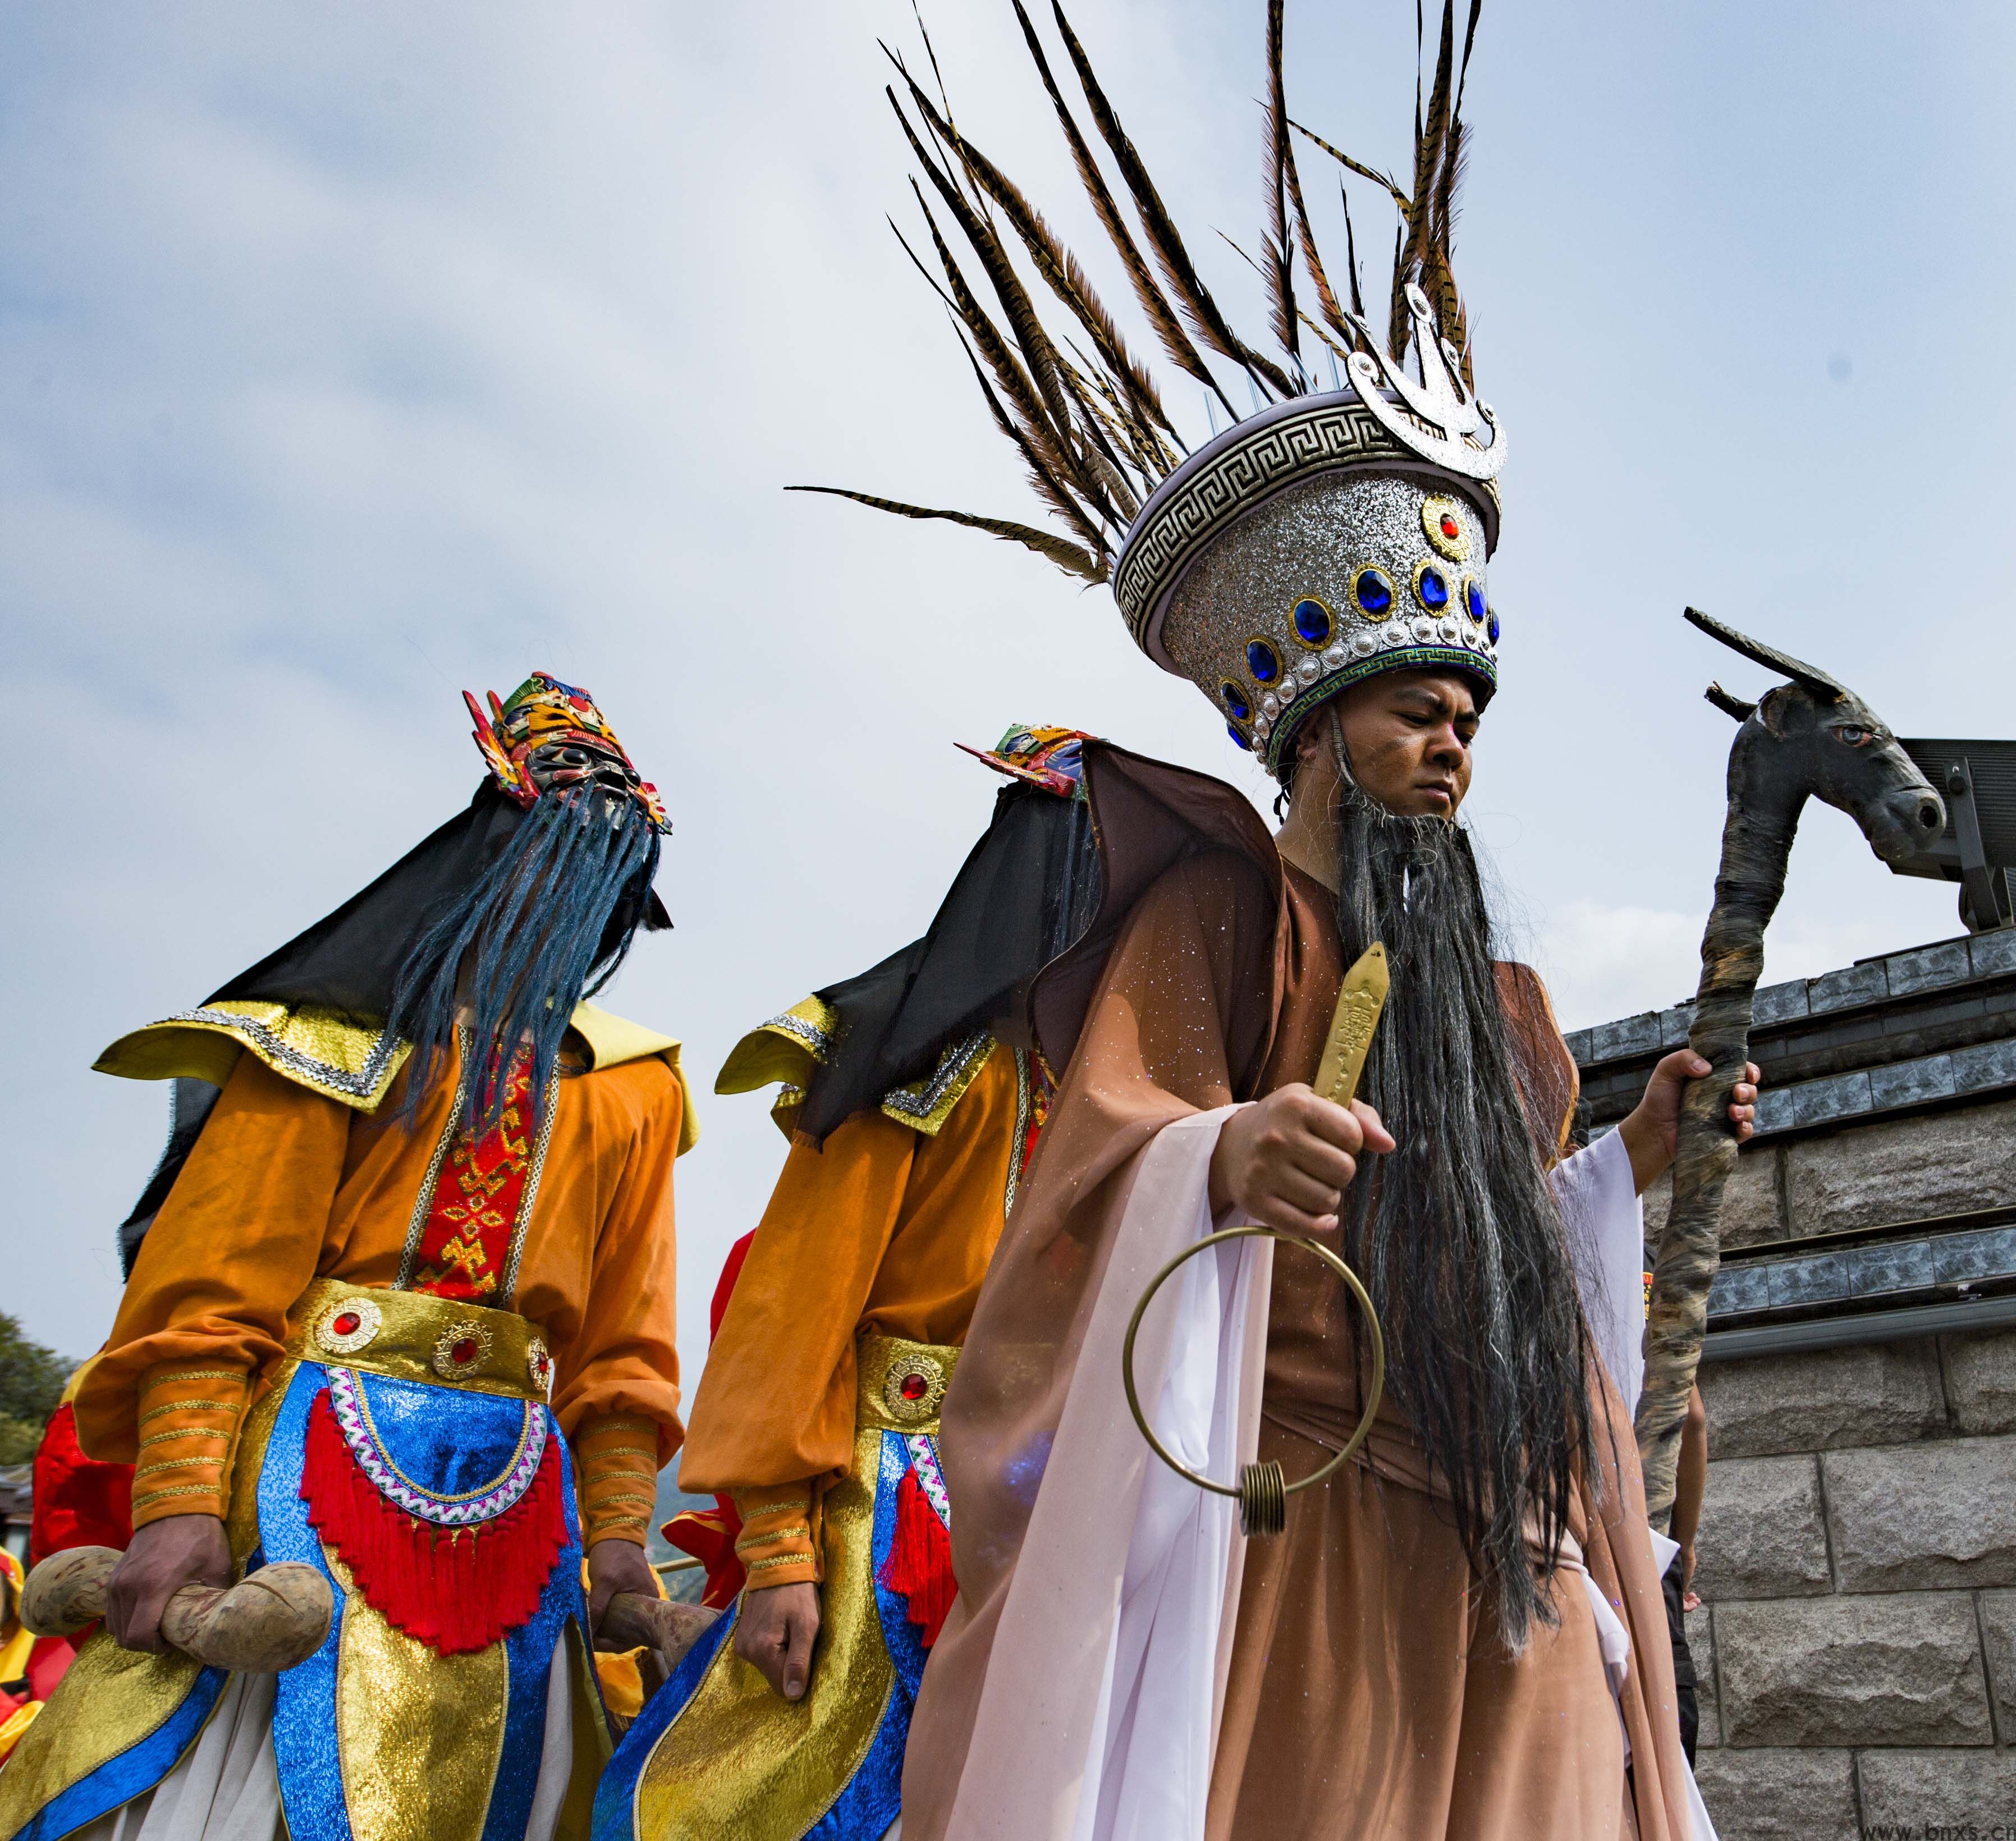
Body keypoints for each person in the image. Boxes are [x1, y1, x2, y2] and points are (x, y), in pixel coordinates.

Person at [795, 4, 1757, 1833]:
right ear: (1317, 734)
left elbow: (1515, 1244)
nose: (1450, 739)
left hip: (1515, 1558)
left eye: (1466, 715)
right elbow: (1099, 1173)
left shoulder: (1510, 1005)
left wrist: (1626, 1167)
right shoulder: (1218, 932)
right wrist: (1225, 1159)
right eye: (1417, 712)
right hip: (1301, 1535)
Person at [0, 674, 693, 1841]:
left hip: (524, 1513)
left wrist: (622, 1547)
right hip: (298, 1486)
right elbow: (208, 1299)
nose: (582, 908)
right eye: (561, 863)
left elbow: (624, 1354)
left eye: (613, 884)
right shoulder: (322, 1038)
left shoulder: (632, 1089)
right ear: (488, 857)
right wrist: (177, 1504)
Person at [599, 726, 1179, 1841]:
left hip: (1034, 1519)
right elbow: (788, 1315)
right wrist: (778, 1557)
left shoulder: (1116, 1102)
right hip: (872, 1506)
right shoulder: (902, 1061)